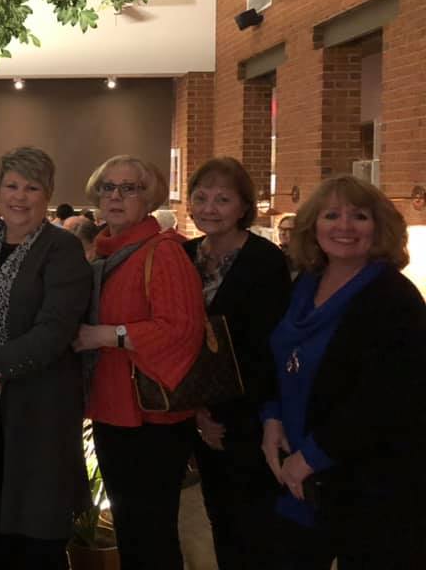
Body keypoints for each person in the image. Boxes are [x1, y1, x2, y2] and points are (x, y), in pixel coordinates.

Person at [261, 175, 426, 568]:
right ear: (313, 226)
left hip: (373, 482)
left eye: (360, 216)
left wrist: (312, 456)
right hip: (300, 474)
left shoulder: (396, 299)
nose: (344, 226)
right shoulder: (305, 285)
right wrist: (272, 417)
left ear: (380, 228)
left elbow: (389, 398)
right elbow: (280, 358)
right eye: (331, 215)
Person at [0, 147, 91, 569]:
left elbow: (55, 330)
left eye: (32, 187)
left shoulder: (62, 249)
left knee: (35, 540)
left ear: (47, 193)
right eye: (12, 186)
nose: (20, 196)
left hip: (38, 412)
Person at [72, 155, 205, 570]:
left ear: (149, 199)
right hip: (113, 411)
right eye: (108, 187)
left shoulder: (163, 252)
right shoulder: (106, 253)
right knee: (132, 533)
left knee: (151, 537)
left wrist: (107, 335)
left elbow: (180, 329)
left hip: (152, 419)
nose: (116, 196)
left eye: (129, 188)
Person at [183, 157, 292, 569]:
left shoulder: (265, 260)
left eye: (223, 199)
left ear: (244, 206)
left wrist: (222, 416)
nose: (209, 208)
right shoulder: (184, 254)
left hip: (250, 411)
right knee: (219, 516)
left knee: (254, 522)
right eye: (201, 197)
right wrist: (198, 412)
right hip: (193, 404)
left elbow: (267, 348)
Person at [277, 213, 298, 278]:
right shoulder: (277, 253)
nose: (282, 233)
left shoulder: (304, 257)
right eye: (281, 229)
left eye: (288, 230)